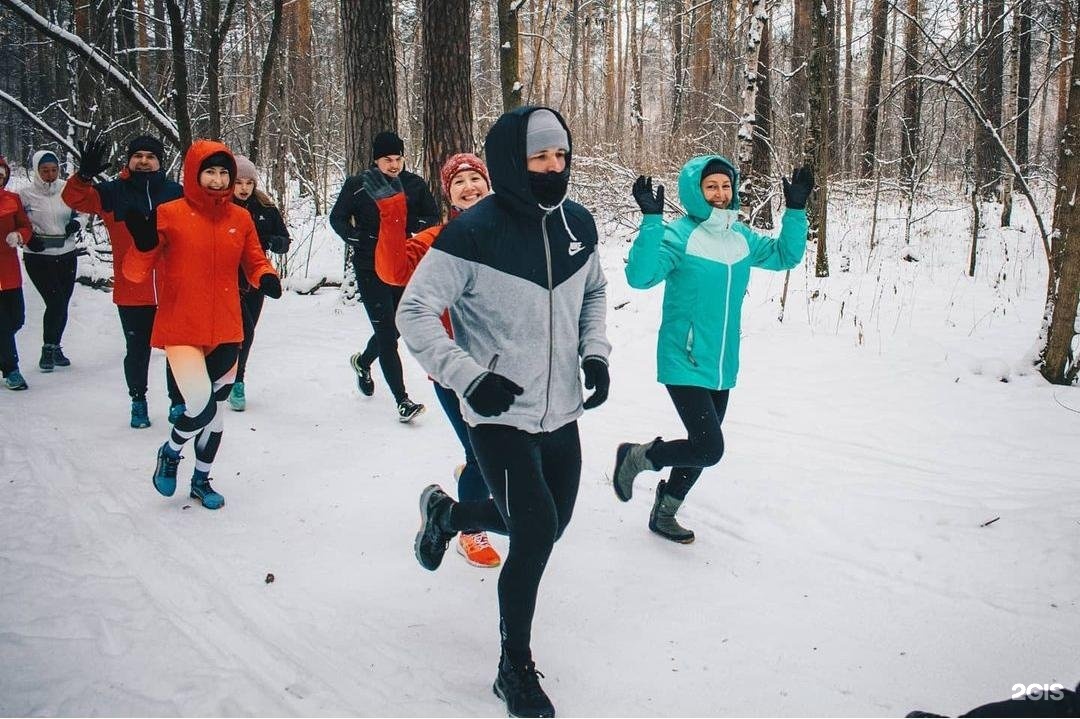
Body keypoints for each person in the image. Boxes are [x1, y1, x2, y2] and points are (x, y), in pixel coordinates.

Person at [397, 107, 611, 718]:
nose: (552, 168)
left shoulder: (577, 224)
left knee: (544, 523)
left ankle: (445, 516)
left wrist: (593, 353)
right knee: (536, 530)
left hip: (562, 408)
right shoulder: (473, 232)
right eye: (539, 158)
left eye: (560, 157)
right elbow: (412, 312)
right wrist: (469, 376)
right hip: (497, 414)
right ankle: (512, 666)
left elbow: (594, 290)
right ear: (511, 162)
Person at [611, 155, 813, 543]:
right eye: (711, 187)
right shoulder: (678, 235)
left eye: (725, 186)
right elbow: (639, 277)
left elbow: (786, 256)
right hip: (682, 358)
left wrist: (796, 210)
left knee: (699, 448)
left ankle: (664, 512)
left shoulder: (741, 237)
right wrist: (651, 222)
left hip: (722, 362)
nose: (720, 194)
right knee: (708, 447)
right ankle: (638, 457)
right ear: (695, 192)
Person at [123, 140, 281, 510]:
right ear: (194, 175)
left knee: (216, 416)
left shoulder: (240, 219)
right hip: (181, 329)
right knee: (199, 404)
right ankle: (172, 450)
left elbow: (255, 260)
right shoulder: (169, 213)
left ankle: (201, 480)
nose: (217, 178)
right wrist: (144, 244)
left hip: (227, 328)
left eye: (223, 172)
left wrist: (266, 276)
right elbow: (134, 273)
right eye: (209, 171)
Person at [369, 151, 500, 568]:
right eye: (458, 182)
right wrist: (392, 214)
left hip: (505, 363)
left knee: (501, 451)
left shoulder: (510, 234)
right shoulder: (436, 240)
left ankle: (471, 489)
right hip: (453, 367)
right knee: (483, 453)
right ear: (449, 195)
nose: (469, 187)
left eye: (474, 178)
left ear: (489, 183)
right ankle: (468, 529)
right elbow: (393, 271)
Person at [62, 132, 186, 428]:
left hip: (172, 287)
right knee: (137, 350)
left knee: (178, 349)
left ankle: (178, 402)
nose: (144, 161)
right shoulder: (112, 192)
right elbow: (74, 198)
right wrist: (84, 176)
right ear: (129, 160)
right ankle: (138, 400)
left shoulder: (175, 192)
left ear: (160, 162)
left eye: (151, 157)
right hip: (133, 289)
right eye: (138, 156)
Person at [329, 130, 439, 422]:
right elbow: (336, 218)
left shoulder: (413, 185)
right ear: (376, 160)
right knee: (387, 335)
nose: (393, 165)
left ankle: (362, 362)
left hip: (402, 265)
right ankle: (402, 400)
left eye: (398, 159)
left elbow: (432, 218)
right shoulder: (357, 185)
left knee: (398, 326)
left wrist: (406, 223)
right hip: (368, 268)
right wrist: (356, 239)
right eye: (387, 159)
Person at [227, 155, 291, 411]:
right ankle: (233, 379)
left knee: (248, 330)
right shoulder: (222, 208)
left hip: (257, 277)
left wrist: (275, 242)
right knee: (243, 330)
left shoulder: (265, 209)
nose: (243, 188)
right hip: (228, 277)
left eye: (249, 183)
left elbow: (285, 239)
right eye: (238, 182)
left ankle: (234, 377)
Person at [17, 149, 82, 373]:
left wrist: (78, 223)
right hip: (38, 256)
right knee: (55, 302)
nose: (50, 174)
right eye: (45, 171)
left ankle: (56, 347)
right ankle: (47, 347)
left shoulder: (67, 188)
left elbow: (83, 210)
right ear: (36, 171)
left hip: (67, 253)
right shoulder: (24, 195)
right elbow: (18, 222)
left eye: (54, 170)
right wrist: (28, 238)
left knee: (63, 301)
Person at [0, 155, 32, 390]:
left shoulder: (12, 199)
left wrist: (20, 235)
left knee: (17, 319)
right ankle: (11, 369)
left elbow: (26, 226)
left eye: (1, 176)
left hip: (9, 272)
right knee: (2, 325)